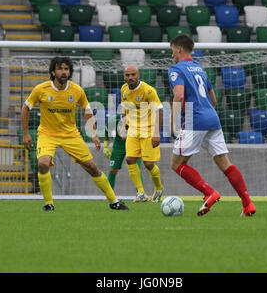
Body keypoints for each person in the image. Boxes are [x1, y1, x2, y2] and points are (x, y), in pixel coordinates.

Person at [21, 56, 129, 211]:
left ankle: (114, 201)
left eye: (66, 69)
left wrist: (94, 133)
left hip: (70, 135)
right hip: (47, 134)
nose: (63, 72)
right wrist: (26, 134)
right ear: (53, 71)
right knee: (43, 163)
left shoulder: (77, 90)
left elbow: (87, 110)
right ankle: (48, 203)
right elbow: (25, 108)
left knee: (92, 166)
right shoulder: (41, 89)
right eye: (60, 69)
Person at [169, 35, 256, 217]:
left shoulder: (176, 69)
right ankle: (247, 204)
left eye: (172, 51)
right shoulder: (200, 69)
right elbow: (213, 99)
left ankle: (209, 192)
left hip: (195, 120)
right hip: (212, 118)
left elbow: (179, 96)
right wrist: (206, 115)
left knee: (177, 164)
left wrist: (173, 124)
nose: (172, 56)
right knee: (224, 163)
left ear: (179, 50)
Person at [120, 65, 164, 202]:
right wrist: (123, 127)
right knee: (129, 159)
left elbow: (159, 110)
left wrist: (157, 133)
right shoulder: (124, 89)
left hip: (149, 129)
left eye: (133, 75)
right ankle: (141, 193)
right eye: (127, 75)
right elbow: (124, 108)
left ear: (138, 75)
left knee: (148, 164)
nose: (130, 77)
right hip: (133, 129)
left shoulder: (148, 91)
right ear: (124, 77)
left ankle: (158, 189)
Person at [103, 112, 143, 190]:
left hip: (134, 145)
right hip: (118, 146)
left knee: (136, 169)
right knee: (112, 170)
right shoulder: (114, 120)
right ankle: (109, 195)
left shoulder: (137, 119)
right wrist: (106, 146)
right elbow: (106, 133)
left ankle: (140, 194)